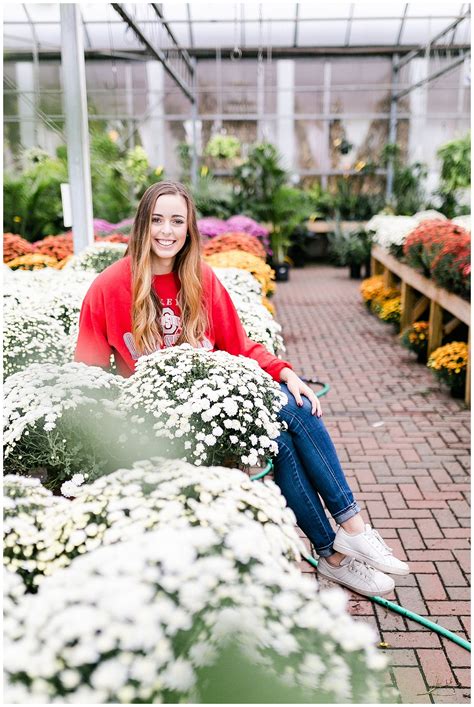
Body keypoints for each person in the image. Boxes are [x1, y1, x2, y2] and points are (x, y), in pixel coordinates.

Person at [75, 180, 409, 597]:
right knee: (289, 414)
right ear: (142, 225)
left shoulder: (199, 279)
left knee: (288, 421)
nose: (167, 230)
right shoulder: (109, 287)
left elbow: (239, 346)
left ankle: (338, 551)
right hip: (157, 420)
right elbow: (86, 375)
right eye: (157, 220)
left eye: (177, 221)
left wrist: (284, 371)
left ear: (189, 229)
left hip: (215, 406)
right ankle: (348, 534)